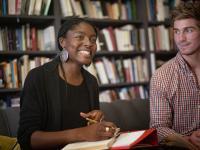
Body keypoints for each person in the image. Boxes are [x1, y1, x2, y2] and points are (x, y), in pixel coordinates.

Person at [17, 17, 116, 150]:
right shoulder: (37, 77)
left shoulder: (91, 81)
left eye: (93, 40)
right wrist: (80, 134)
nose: (88, 43)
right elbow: (27, 139)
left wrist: (96, 122)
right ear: (63, 42)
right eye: (80, 37)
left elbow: (90, 133)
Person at [150, 0, 200, 149]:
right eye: (177, 31)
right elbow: (158, 129)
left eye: (188, 30)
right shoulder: (161, 76)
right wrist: (187, 140)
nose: (180, 39)